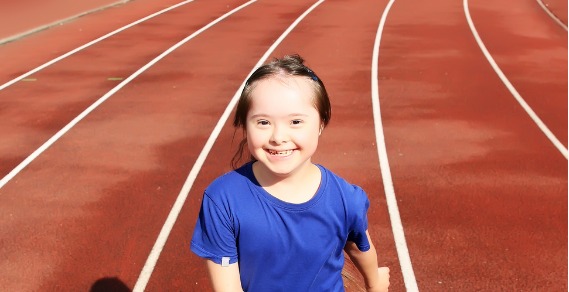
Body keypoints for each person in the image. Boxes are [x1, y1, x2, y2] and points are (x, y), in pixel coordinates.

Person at [190, 54, 390, 291]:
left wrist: (375, 283)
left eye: (295, 122)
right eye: (263, 122)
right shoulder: (224, 200)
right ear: (244, 126)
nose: (278, 137)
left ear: (321, 124)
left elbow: (359, 247)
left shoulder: (345, 198)